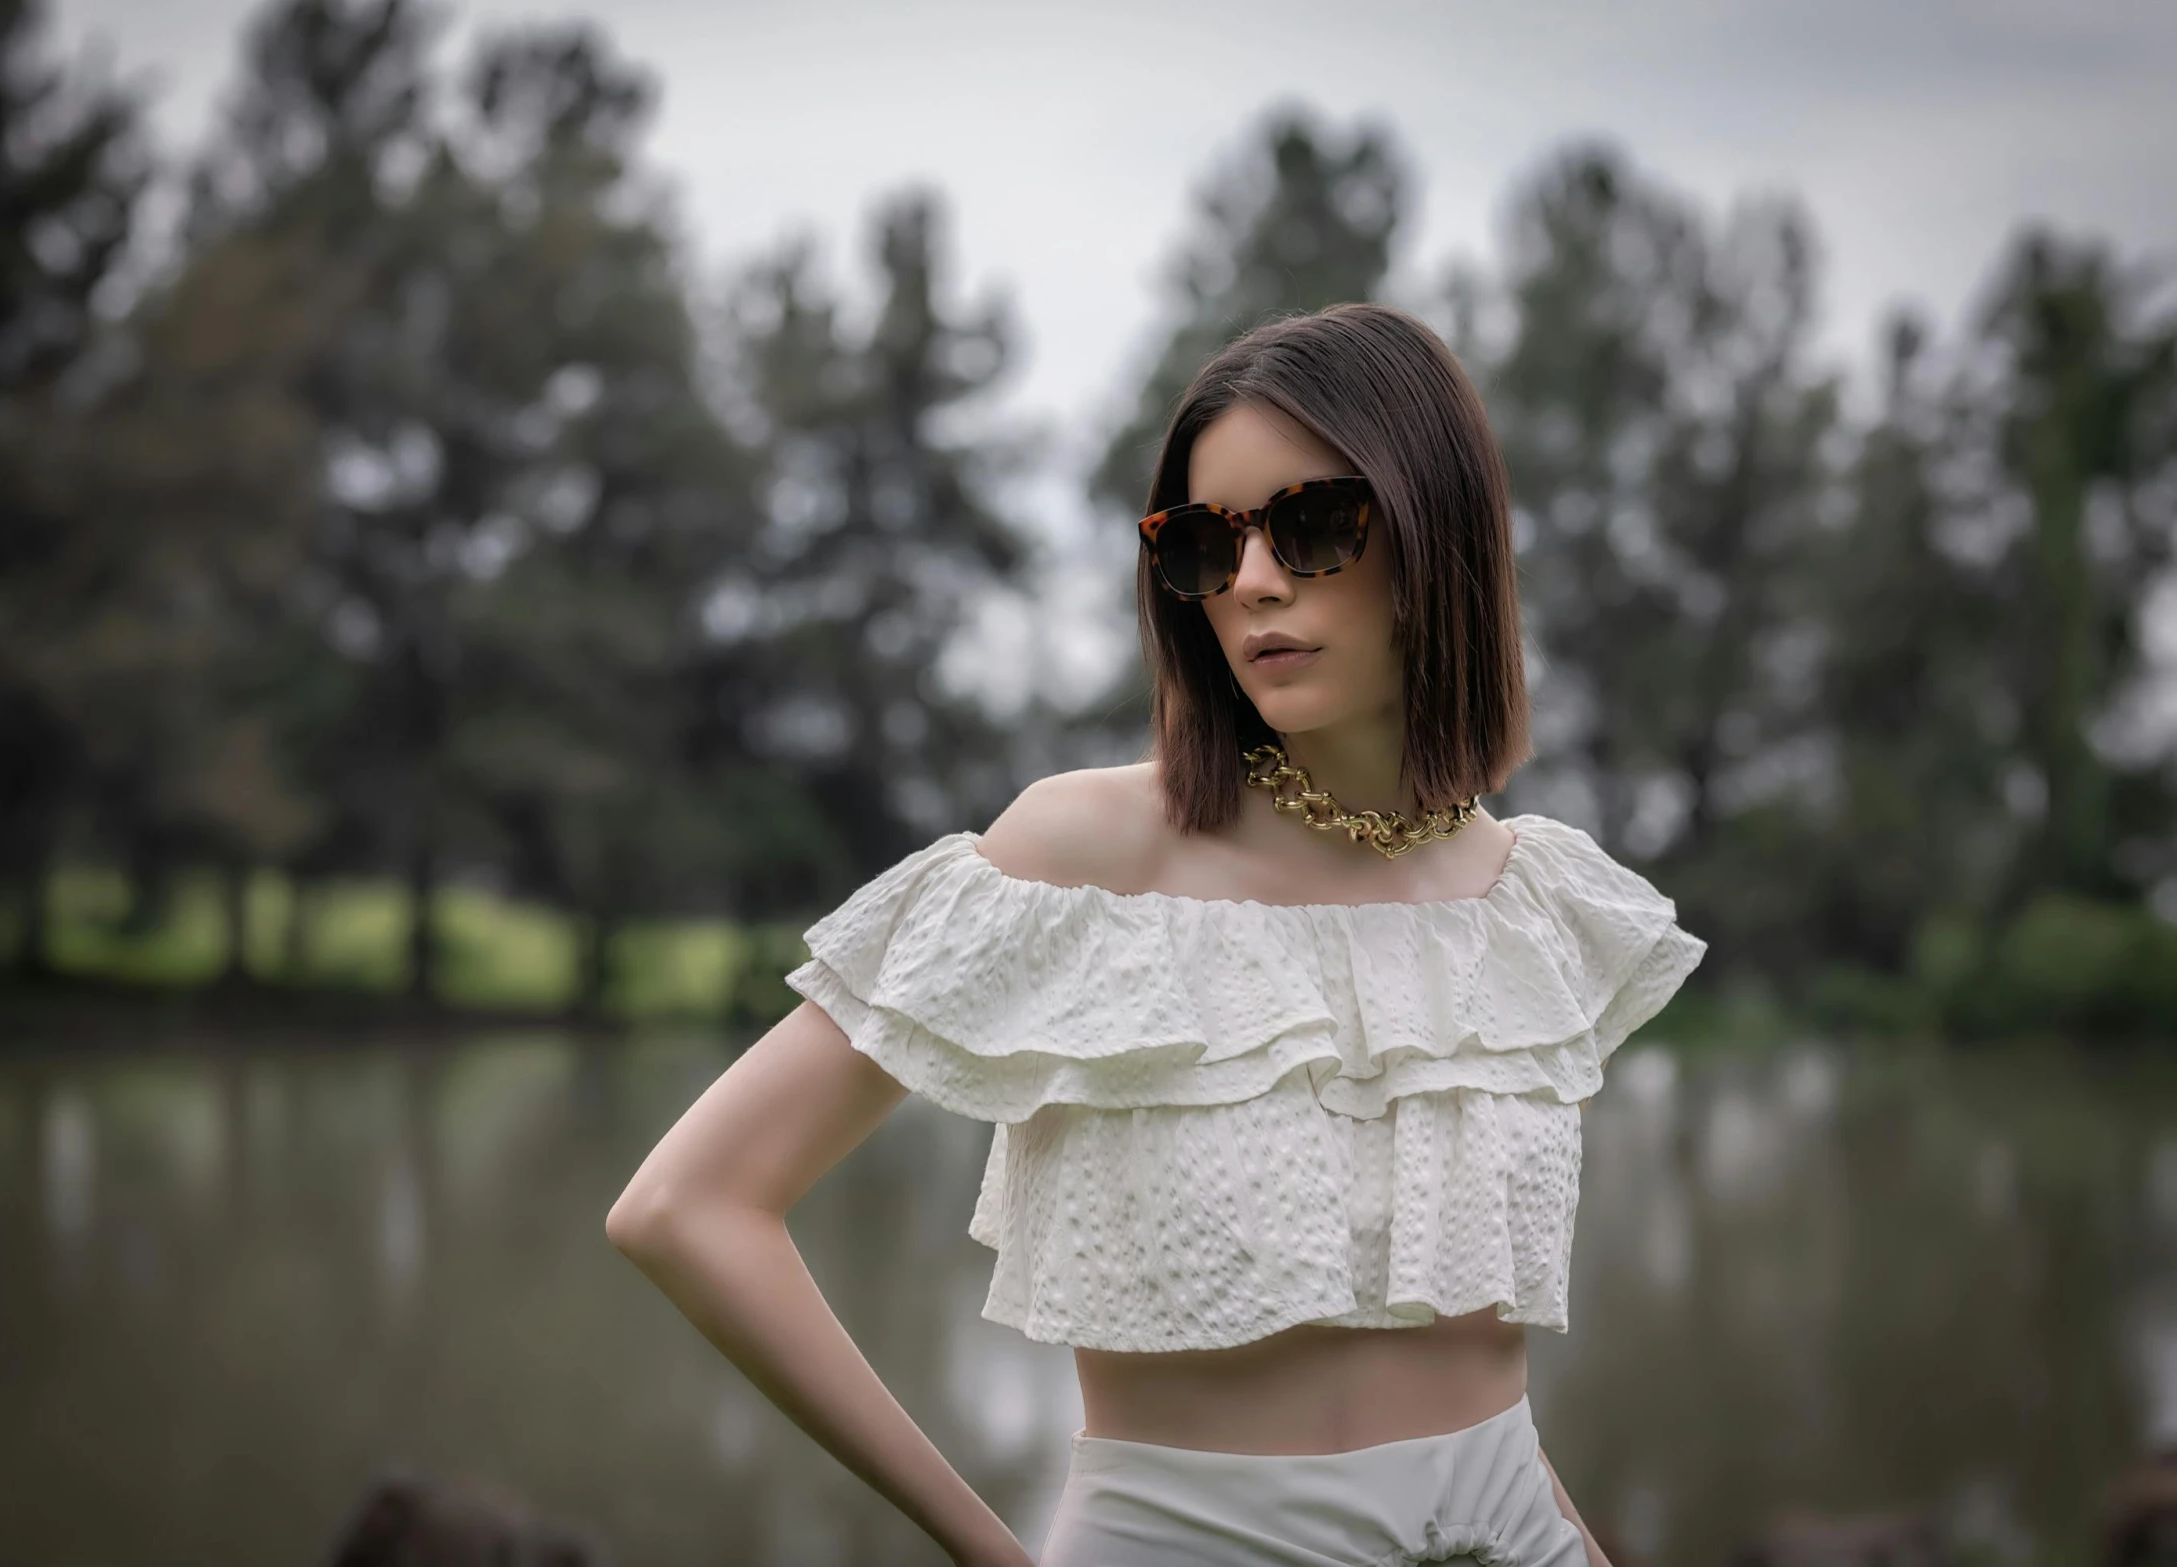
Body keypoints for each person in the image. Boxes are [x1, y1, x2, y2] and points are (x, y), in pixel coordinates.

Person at [605, 302, 1707, 1567]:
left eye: (1312, 524)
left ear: (1435, 532)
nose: (1250, 583)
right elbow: (688, 1207)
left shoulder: (1527, 900)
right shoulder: (1081, 859)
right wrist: (990, 1551)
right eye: (1203, 542)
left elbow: (1458, 1378)